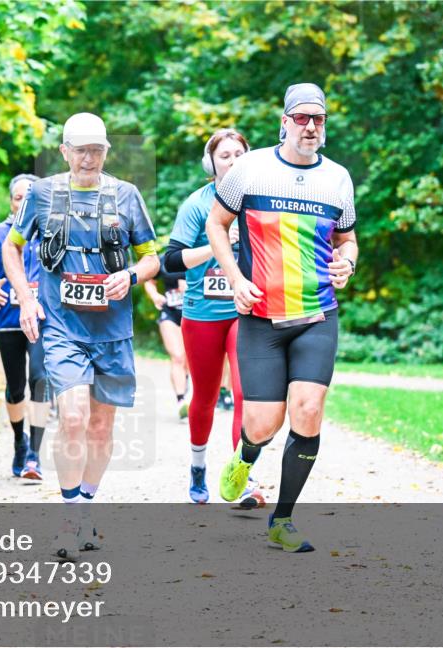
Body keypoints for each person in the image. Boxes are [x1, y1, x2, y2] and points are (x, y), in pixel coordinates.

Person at [206, 83, 358, 552]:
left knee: (308, 412)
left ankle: (283, 519)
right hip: (261, 320)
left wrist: (348, 263)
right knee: (262, 424)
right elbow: (217, 224)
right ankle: (247, 455)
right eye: (301, 118)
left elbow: (348, 239)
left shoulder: (338, 178)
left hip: (316, 314)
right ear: (284, 122)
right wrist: (234, 279)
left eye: (319, 119)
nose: (310, 126)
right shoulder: (250, 170)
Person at [2, 112, 159, 560]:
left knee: (100, 425)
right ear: (65, 151)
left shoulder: (126, 196)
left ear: (107, 152)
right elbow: (12, 248)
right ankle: (69, 517)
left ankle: (86, 503)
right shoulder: (42, 194)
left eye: (98, 150)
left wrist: (129, 275)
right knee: (71, 418)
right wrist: (27, 301)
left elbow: (151, 257)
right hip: (62, 327)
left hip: (112, 329)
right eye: (81, 149)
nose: (89, 158)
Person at [163, 128, 259, 507]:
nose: (233, 161)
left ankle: (242, 477)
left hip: (245, 311)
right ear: (211, 163)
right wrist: (218, 246)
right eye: (225, 156)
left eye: (239, 154)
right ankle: (198, 467)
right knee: (203, 396)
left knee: (244, 395)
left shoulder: (259, 203)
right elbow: (170, 262)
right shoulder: (196, 205)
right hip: (202, 312)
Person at [0, 174, 50, 480]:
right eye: (19, 198)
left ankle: (35, 457)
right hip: (8, 322)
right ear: (11, 201)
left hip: (44, 321)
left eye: (31, 197)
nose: (24, 203)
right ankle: (19, 442)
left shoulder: (52, 235)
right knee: (16, 388)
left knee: (40, 380)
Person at [142, 261, 188, 419]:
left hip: (194, 314)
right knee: (177, 357)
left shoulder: (203, 252)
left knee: (189, 361)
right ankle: (181, 400)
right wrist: (155, 295)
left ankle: (186, 385)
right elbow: (150, 281)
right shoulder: (165, 259)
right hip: (170, 313)